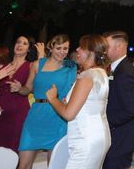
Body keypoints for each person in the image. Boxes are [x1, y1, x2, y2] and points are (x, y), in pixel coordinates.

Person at [46, 34, 111, 169]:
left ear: (90, 52)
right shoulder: (100, 73)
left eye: (81, 48)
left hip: (86, 138)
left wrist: (53, 99)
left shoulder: (86, 76)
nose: (77, 50)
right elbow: (90, 104)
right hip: (100, 135)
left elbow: (68, 114)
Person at [15, 34, 78, 169]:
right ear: (51, 47)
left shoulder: (71, 67)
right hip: (35, 116)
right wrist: (19, 89)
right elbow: (28, 88)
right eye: (59, 48)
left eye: (65, 48)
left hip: (57, 117)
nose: (62, 52)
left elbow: (71, 93)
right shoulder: (37, 64)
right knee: (23, 165)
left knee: (54, 165)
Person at [103, 30, 134, 169]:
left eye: (106, 47)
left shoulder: (125, 72)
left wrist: (107, 122)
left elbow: (132, 108)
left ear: (120, 47)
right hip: (119, 135)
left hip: (122, 137)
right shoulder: (116, 68)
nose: (103, 51)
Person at [0, 35, 36, 151]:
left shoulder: (31, 66)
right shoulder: (1, 67)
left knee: (13, 150)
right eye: (18, 42)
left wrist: (20, 88)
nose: (20, 45)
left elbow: (29, 89)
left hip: (18, 115)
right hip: (0, 113)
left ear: (29, 49)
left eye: (24, 43)